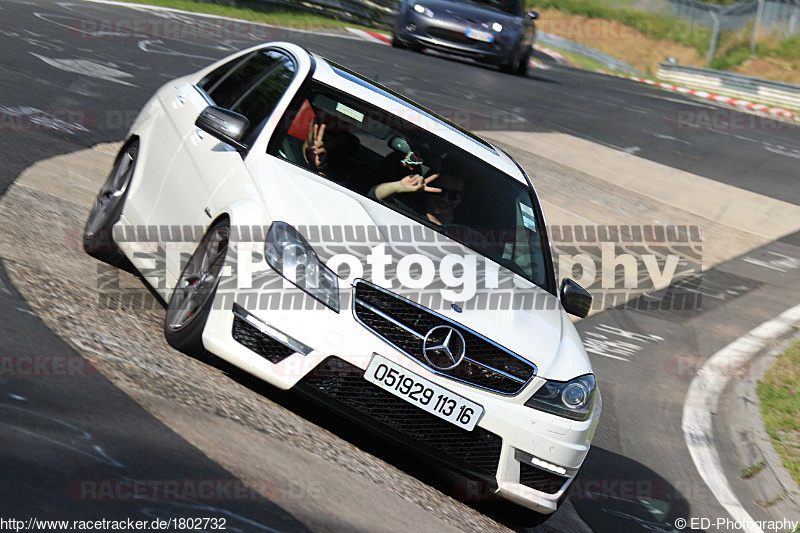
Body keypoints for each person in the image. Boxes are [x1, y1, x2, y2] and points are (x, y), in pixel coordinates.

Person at [372, 172, 465, 226]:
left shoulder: (462, 232)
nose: (445, 199)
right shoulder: (408, 213)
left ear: (460, 199)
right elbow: (374, 198)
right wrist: (398, 186)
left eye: (453, 195)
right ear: (427, 190)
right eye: (440, 191)